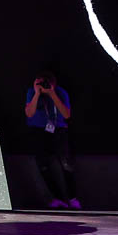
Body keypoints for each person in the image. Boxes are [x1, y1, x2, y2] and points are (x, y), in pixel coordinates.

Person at [25, 69, 79, 209]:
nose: (43, 85)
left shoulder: (61, 92)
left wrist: (52, 93)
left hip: (58, 130)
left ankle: (72, 198)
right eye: (39, 82)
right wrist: (37, 93)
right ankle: (57, 198)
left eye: (46, 83)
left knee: (66, 164)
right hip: (38, 130)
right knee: (43, 165)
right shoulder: (32, 92)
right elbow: (29, 113)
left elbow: (66, 114)